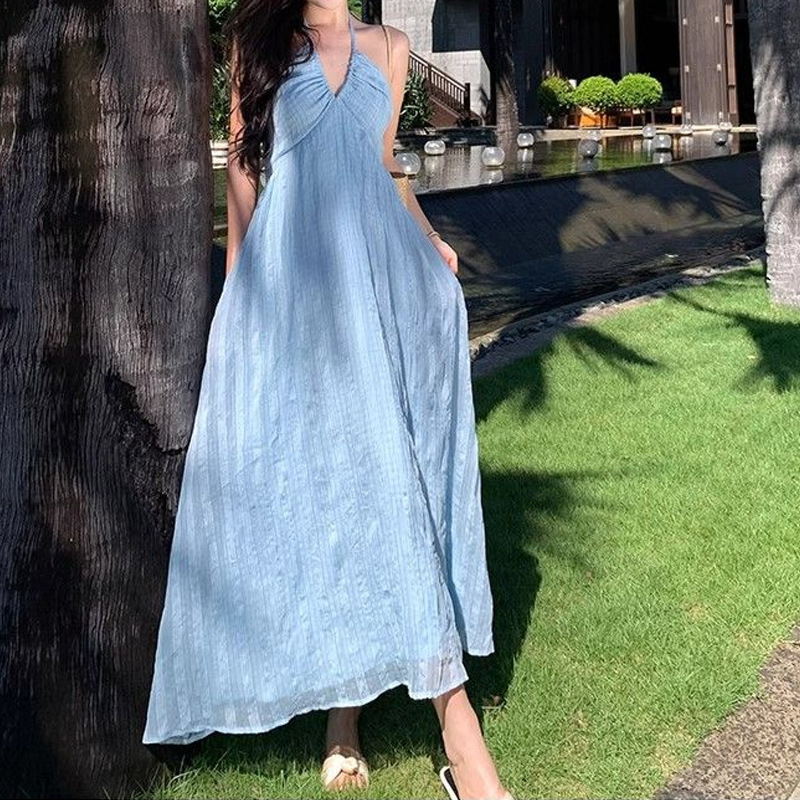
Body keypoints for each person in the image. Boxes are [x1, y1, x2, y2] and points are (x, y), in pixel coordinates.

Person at [142, 1, 513, 798]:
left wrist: (431, 240)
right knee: (333, 487)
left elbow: (383, 166)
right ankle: (374, 721)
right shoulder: (261, 40)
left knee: (390, 478)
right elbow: (245, 168)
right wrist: (239, 297)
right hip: (297, 290)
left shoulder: (394, 47)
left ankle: (435, 726)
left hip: (381, 283)